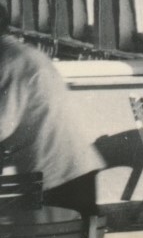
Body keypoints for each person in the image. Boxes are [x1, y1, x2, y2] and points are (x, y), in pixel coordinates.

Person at [0, 22, 105, 216]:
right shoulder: (21, 53)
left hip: (54, 175)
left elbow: (3, 125)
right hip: (74, 167)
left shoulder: (7, 59)